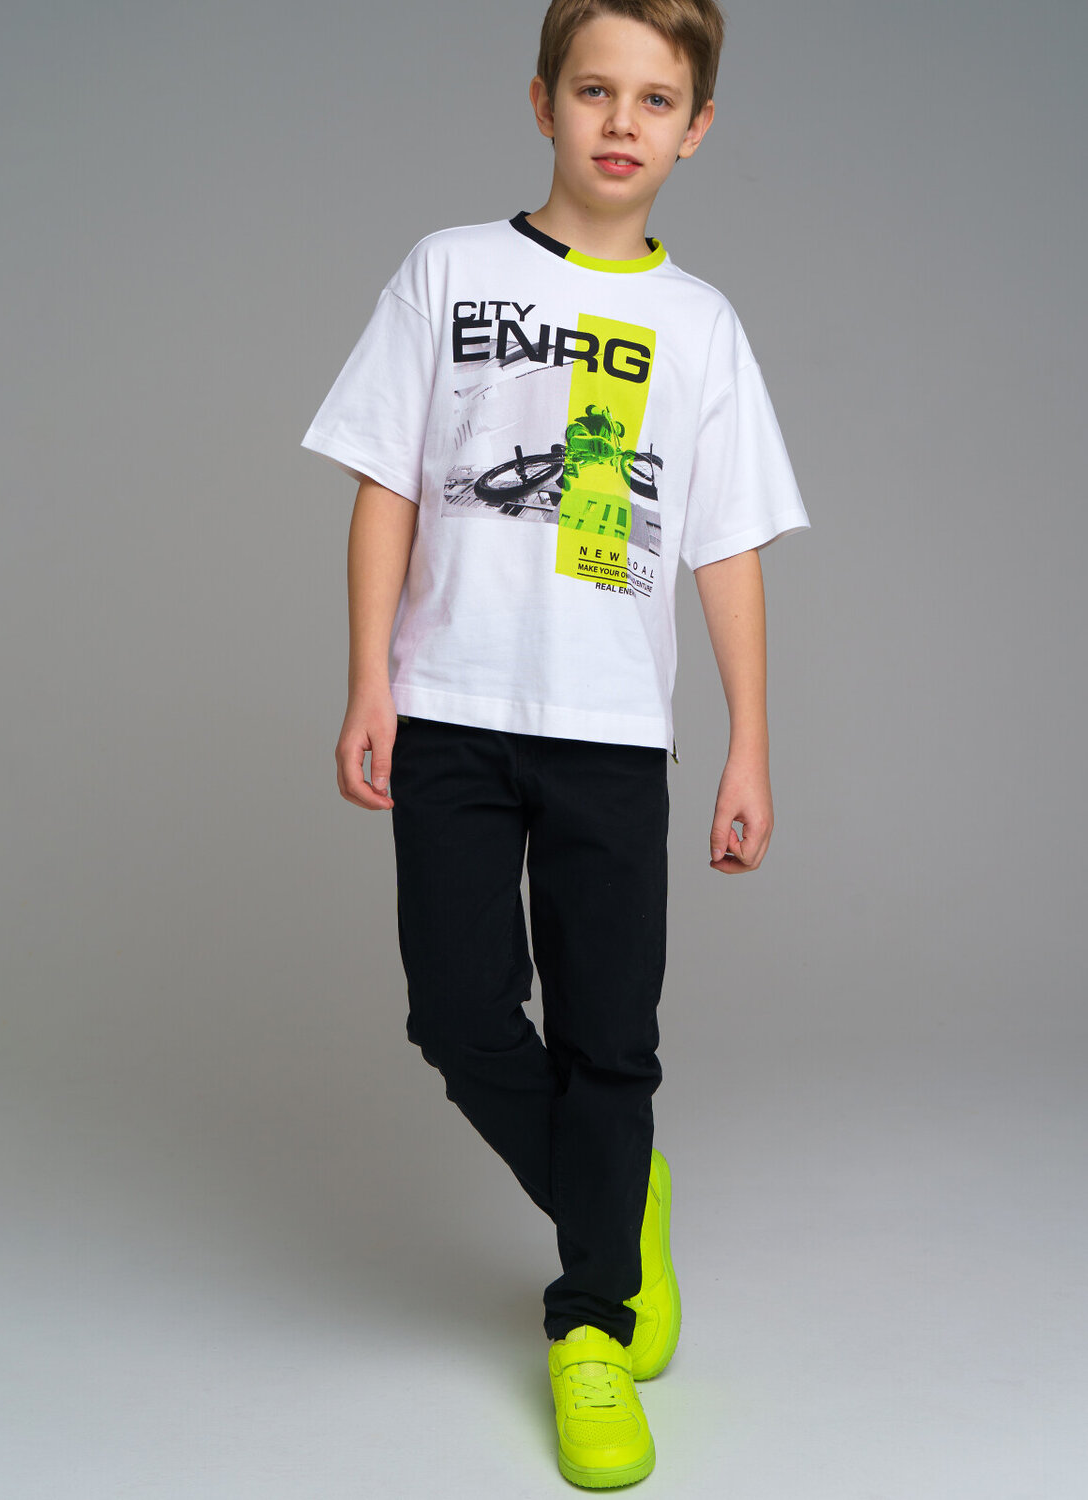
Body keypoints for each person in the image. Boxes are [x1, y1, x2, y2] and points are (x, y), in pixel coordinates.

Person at [301, 0, 810, 1486]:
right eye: (594, 90)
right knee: (459, 1016)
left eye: (653, 99)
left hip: (611, 734)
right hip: (452, 713)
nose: (620, 122)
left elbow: (723, 545)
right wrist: (368, 682)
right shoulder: (448, 270)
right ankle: (620, 1195)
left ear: (694, 129)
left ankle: (589, 1325)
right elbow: (387, 483)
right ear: (542, 102)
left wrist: (749, 745)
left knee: (609, 1041)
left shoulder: (698, 325)